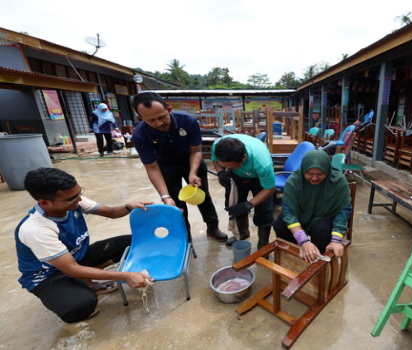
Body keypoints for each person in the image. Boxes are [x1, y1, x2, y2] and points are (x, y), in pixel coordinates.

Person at [15, 167, 154, 323]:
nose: (79, 200)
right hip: (48, 275)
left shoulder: (74, 202)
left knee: (132, 243)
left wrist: (129, 206)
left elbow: (110, 212)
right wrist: (124, 275)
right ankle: (80, 285)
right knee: (80, 307)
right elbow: (71, 269)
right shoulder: (35, 229)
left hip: (75, 258)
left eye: (79, 194)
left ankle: (85, 281)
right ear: (44, 203)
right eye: (73, 199)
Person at [131, 92, 228, 242]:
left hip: (191, 162)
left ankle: (212, 227)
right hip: (166, 168)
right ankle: (185, 234)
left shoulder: (187, 121)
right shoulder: (139, 135)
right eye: (151, 120)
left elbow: (196, 151)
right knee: (175, 202)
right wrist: (165, 197)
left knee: (202, 196)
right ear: (140, 118)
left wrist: (193, 172)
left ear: (168, 109)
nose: (158, 123)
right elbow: (152, 167)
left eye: (162, 117)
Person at [274, 150, 352, 263]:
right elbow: (288, 211)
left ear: (327, 170)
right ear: (303, 170)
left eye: (320, 174)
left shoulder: (338, 181)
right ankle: (293, 256)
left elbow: (343, 209)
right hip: (300, 213)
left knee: (321, 230)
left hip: (324, 214)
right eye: (310, 174)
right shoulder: (294, 181)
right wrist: (304, 241)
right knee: (280, 224)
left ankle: (319, 259)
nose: (315, 178)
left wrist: (336, 240)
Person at [211, 134, 276, 248]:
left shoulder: (261, 162)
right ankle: (242, 235)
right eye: (226, 167)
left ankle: (263, 243)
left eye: (232, 167)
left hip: (258, 178)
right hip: (237, 177)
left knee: (264, 211)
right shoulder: (218, 146)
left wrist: (248, 205)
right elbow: (215, 161)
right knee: (234, 206)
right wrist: (221, 172)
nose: (228, 169)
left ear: (244, 157)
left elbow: (270, 189)